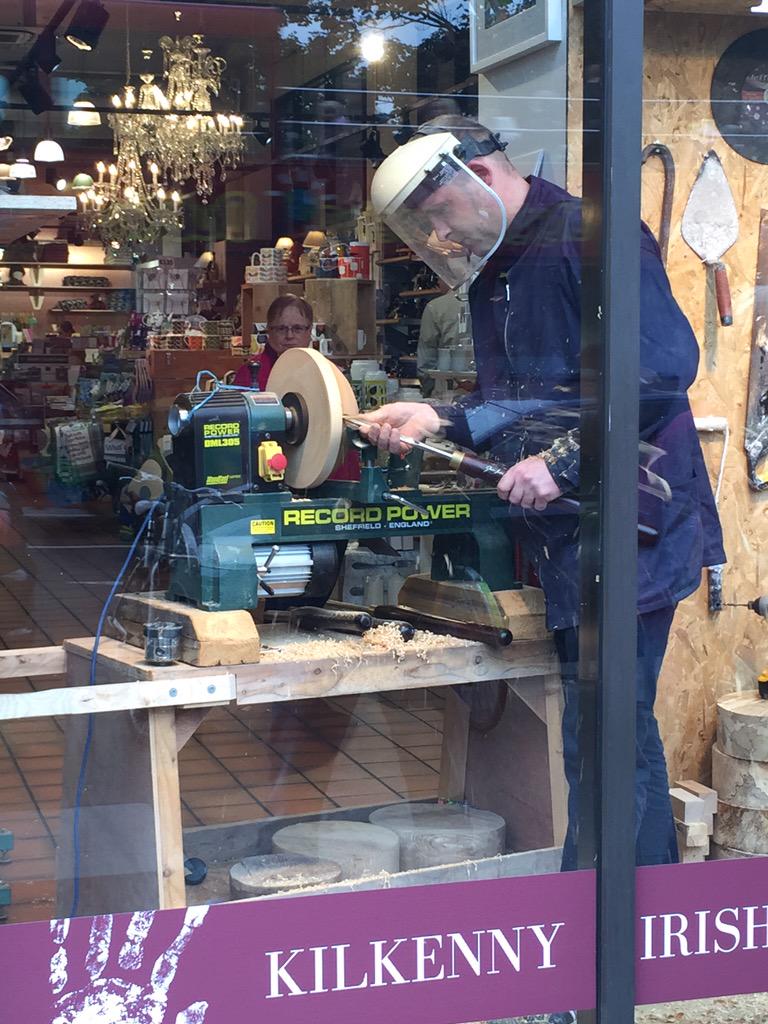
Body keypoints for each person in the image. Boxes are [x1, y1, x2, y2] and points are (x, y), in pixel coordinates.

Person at [362, 116, 726, 878]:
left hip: (635, 525)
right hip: (575, 534)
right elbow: (542, 397)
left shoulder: (586, 238)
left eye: (437, 213)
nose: (437, 233)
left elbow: (661, 372)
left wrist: (562, 463)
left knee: (601, 739)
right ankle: (640, 930)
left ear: (481, 179)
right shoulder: (497, 266)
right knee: (612, 736)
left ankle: (597, 949)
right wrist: (444, 417)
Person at [233, 293, 313, 390]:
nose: (289, 336)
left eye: (298, 328)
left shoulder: (326, 371)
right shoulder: (249, 373)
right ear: (269, 331)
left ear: (310, 331)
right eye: (281, 329)